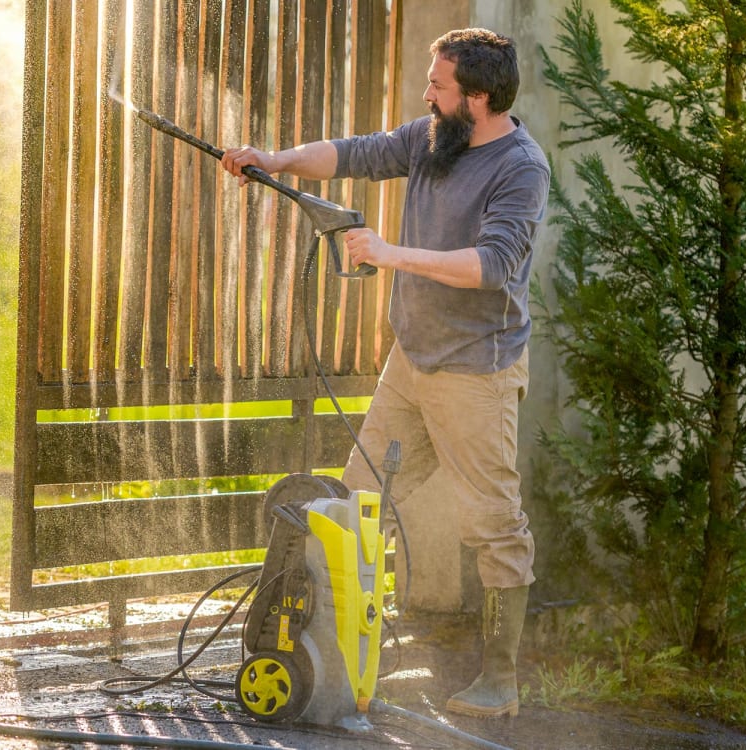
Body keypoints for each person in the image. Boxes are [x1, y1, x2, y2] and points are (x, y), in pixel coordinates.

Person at [220, 28, 548, 719]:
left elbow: (493, 265)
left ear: (478, 98)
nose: (426, 95)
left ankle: (500, 681)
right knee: (357, 501)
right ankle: (339, 656)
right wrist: (271, 159)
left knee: (493, 523)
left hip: (475, 373)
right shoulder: (436, 135)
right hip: (412, 361)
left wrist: (391, 253)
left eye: (439, 85)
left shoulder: (521, 168)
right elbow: (354, 153)